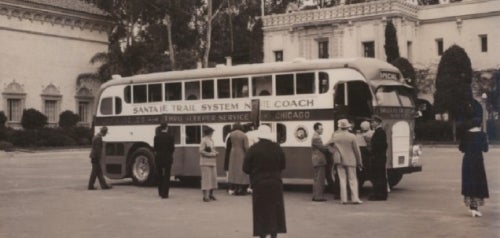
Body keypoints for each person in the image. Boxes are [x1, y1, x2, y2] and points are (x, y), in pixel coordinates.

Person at [243, 125, 286, 238]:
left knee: (261, 210)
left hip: (259, 183)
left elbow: (245, 168)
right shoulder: (277, 147)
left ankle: (262, 235)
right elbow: (283, 165)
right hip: (275, 182)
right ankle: (274, 235)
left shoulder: (253, 149)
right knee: (275, 210)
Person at [459, 118, 489, 217]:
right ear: (480, 125)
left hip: (467, 160)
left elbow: (461, 148)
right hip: (478, 161)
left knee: (469, 181)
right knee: (478, 182)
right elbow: (485, 149)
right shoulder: (482, 134)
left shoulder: (466, 134)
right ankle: (475, 207)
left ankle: (472, 207)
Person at [329, 119, 363, 204]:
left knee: (342, 180)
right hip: (351, 160)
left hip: (340, 161)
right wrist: (359, 161)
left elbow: (327, 145)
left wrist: (334, 151)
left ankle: (343, 199)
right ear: (348, 127)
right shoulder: (352, 136)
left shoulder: (336, 136)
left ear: (340, 127)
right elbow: (357, 151)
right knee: (353, 180)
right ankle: (355, 198)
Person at [369, 115, 388, 201]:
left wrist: (371, 149)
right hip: (380, 157)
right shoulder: (379, 131)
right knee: (380, 175)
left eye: (373, 122)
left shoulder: (380, 132)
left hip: (378, 157)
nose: (371, 124)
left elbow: (380, 145)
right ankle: (380, 194)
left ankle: (379, 195)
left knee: (378, 176)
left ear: (378, 122)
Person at [227, 122, 250, 195]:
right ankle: (241, 189)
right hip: (241, 153)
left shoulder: (231, 134)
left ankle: (235, 189)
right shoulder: (244, 135)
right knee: (241, 170)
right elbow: (246, 146)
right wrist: (248, 154)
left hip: (233, 153)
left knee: (234, 170)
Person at [154, 122, 175, 199]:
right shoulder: (170, 137)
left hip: (159, 158)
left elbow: (155, 148)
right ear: (166, 128)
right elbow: (172, 149)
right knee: (166, 176)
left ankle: (160, 192)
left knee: (159, 175)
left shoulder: (156, 137)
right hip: (167, 158)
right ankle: (165, 194)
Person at [311, 122, 330, 202]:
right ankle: (319, 197)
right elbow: (322, 148)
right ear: (316, 129)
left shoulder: (315, 136)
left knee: (316, 178)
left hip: (316, 160)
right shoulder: (316, 137)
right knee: (320, 179)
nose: (322, 130)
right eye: (321, 129)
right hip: (319, 160)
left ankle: (315, 196)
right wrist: (330, 147)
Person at [199, 126, 218, 202]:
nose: (212, 133)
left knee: (213, 179)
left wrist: (215, 152)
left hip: (212, 162)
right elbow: (201, 151)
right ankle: (205, 196)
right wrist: (212, 154)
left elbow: (212, 149)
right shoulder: (204, 140)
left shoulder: (211, 140)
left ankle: (211, 194)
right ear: (209, 133)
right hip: (205, 162)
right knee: (206, 180)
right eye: (212, 132)